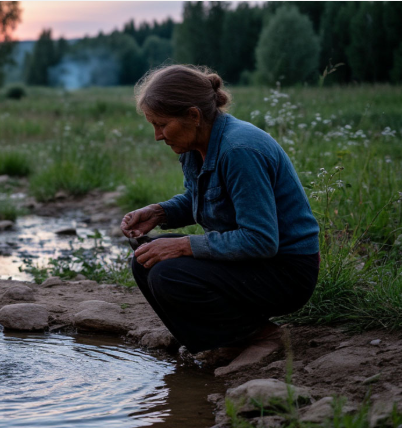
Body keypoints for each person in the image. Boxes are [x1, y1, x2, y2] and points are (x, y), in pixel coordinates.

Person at [120, 65, 320, 374]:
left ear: (193, 115)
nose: (157, 136)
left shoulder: (239, 150)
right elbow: (205, 198)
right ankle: (226, 342)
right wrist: (160, 212)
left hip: (286, 270)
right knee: (145, 261)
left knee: (168, 273)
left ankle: (263, 337)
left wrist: (183, 246)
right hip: (250, 263)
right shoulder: (194, 145)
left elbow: (261, 240)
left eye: (161, 125)